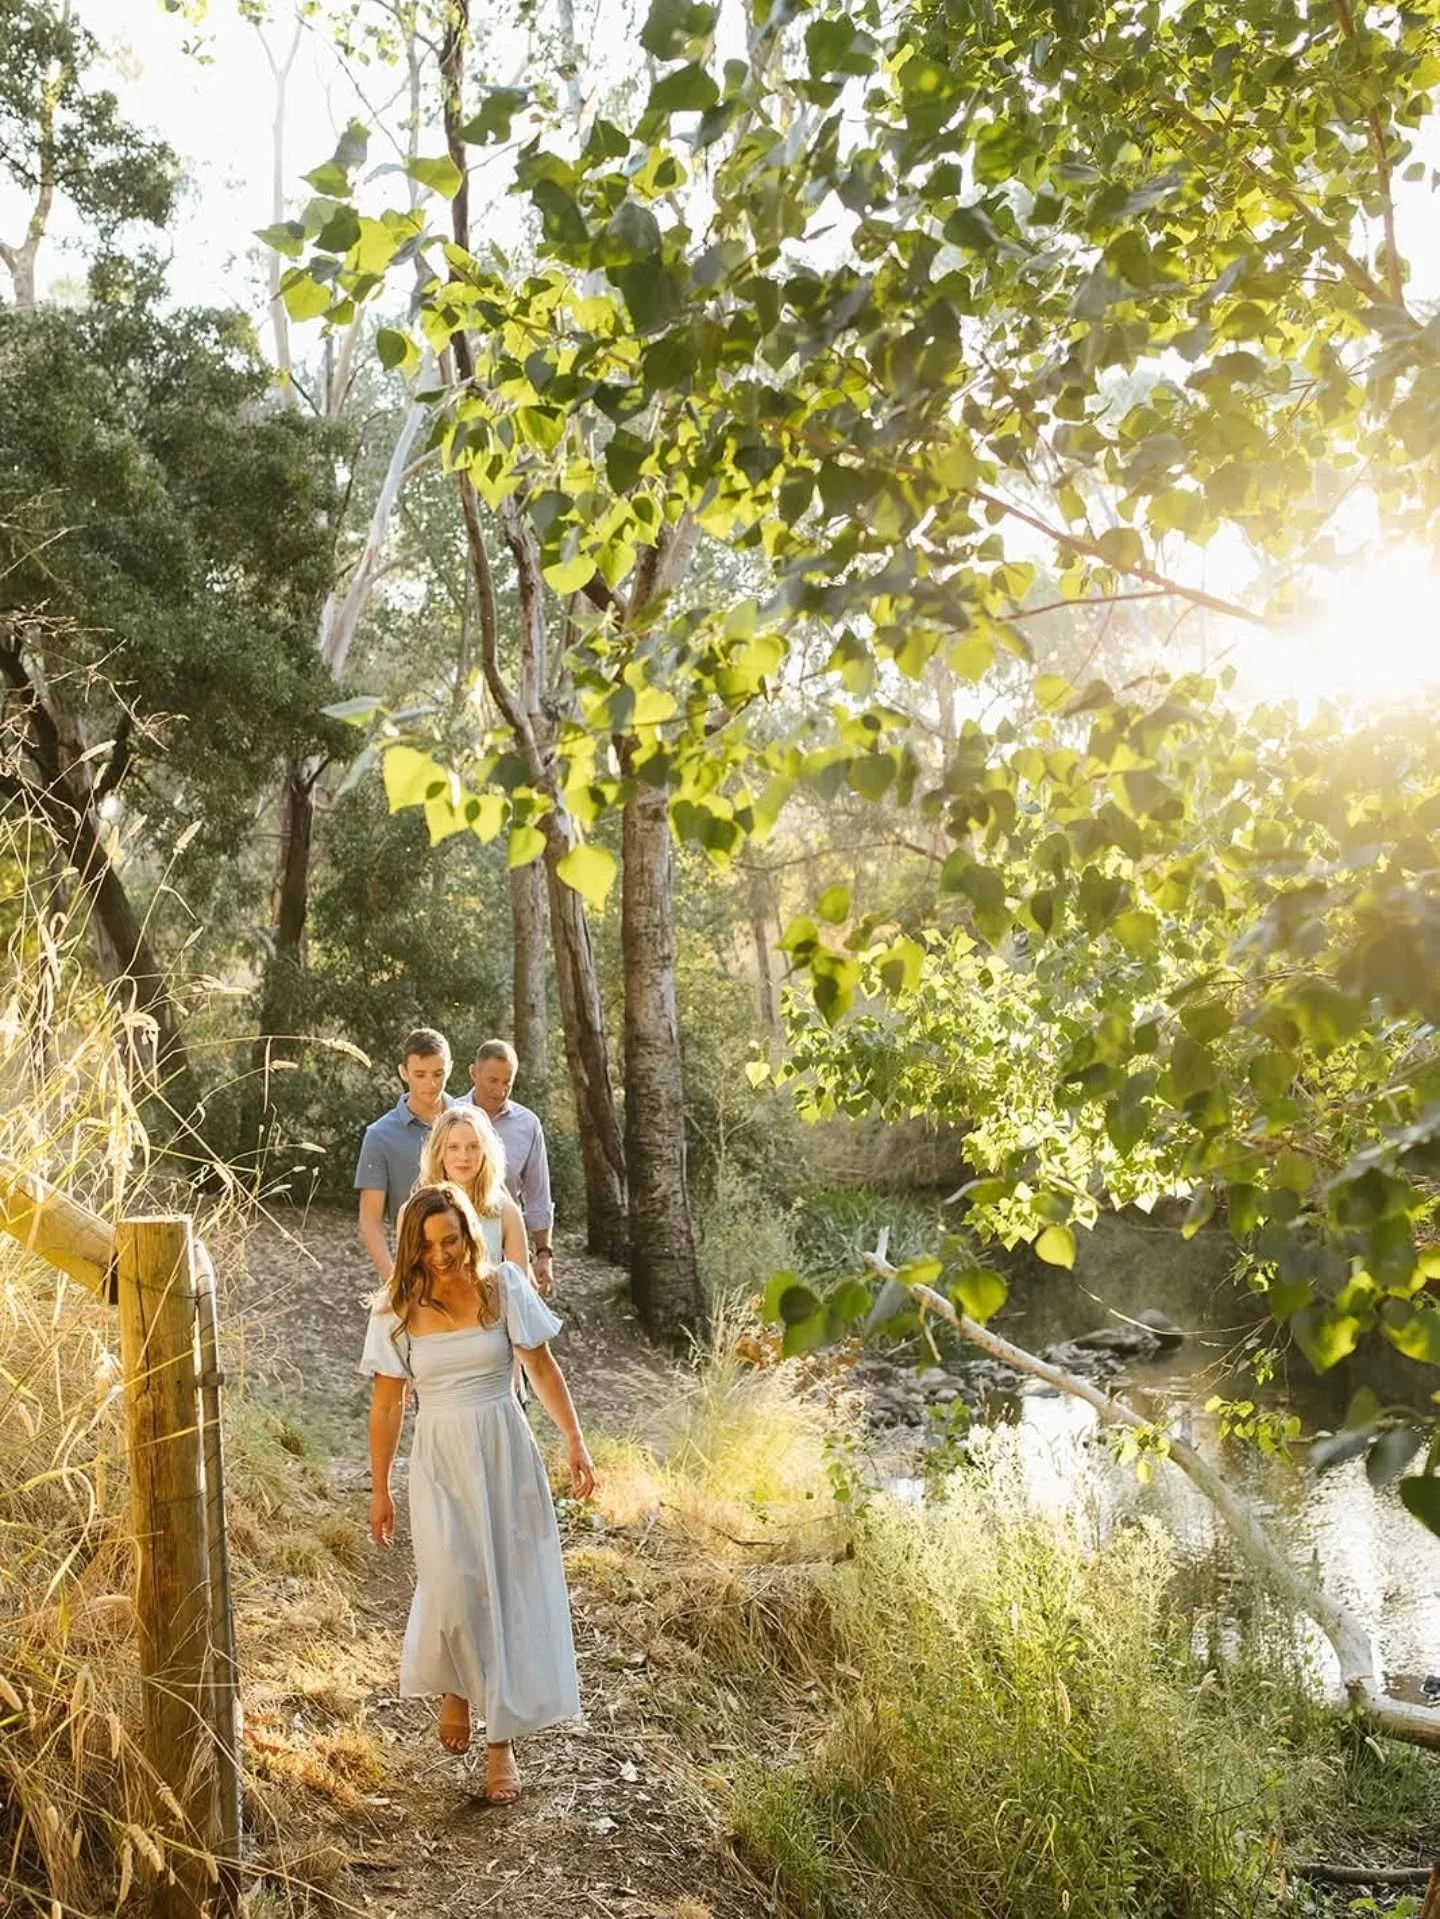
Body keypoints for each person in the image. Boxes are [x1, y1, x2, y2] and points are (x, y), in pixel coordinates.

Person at [362, 1182, 594, 1803]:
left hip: (503, 1449)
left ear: (469, 1233)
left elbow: (540, 1367)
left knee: (503, 1588)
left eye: (452, 1239)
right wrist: (380, 1488)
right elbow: (386, 1407)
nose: (442, 1255)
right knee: (454, 1579)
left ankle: (502, 1743)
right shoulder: (396, 1310)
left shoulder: (504, 1288)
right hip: (438, 1456)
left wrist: (573, 1440)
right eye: (429, 1245)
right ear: (413, 1247)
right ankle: (456, 1687)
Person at [354, 1027, 456, 1284]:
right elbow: (369, 1220)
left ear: (450, 1068)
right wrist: (393, 1279)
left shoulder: (471, 1123)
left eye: (438, 1073)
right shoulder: (379, 1135)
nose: (431, 1084)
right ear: (404, 1072)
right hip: (415, 1268)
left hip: (472, 1266)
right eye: (420, 1075)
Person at [466, 1039, 556, 1295]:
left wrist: (543, 1254)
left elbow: (538, 1195)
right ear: (474, 1073)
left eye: (507, 1083)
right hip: (458, 1240)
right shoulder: (451, 1114)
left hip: (510, 1246)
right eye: (492, 1081)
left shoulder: (528, 1125)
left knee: (525, 1329)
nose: (500, 1090)